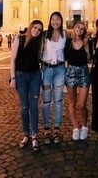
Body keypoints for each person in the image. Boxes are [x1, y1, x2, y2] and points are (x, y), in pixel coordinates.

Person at [10, 20, 44, 152]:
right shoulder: (20, 39)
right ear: (30, 27)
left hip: (35, 75)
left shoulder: (41, 42)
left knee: (34, 106)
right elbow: (12, 60)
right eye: (35, 28)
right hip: (21, 76)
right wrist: (13, 79)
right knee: (24, 106)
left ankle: (35, 135)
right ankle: (26, 134)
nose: (36, 31)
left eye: (39, 29)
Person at [42, 12, 67, 144]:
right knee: (46, 100)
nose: (55, 22)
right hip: (47, 70)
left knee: (58, 100)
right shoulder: (44, 34)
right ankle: (46, 129)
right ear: (50, 21)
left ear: (61, 21)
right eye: (53, 19)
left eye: (57, 20)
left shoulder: (65, 34)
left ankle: (56, 129)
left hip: (60, 69)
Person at [64, 21, 90, 141]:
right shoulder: (68, 42)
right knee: (72, 103)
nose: (80, 29)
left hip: (83, 73)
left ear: (84, 31)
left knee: (81, 104)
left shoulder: (87, 43)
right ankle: (76, 127)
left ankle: (84, 126)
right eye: (78, 27)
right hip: (70, 73)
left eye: (82, 28)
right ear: (74, 28)